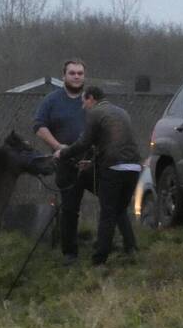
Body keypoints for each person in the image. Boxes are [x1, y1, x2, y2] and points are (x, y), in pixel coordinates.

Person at [57, 86, 140, 266]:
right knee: (119, 209)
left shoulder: (95, 113)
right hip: (134, 167)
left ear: (91, 98)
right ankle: (131, 249)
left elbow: (84, 142)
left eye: (84, 102)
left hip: (114, 168)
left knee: (108, 213)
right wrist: (94, 163)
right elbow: (114, 142)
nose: (83, 107)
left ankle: (99, 260)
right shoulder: (122, 112)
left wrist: (63, 153)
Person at [34, 59, 93, 266]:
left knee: (113, 201)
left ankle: (118, 248)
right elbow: (39, 126)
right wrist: (59, 147)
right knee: (69, 210)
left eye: (80, 73)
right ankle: (70, 254)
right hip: (67, 164)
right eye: (72, 73)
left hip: (92, 162)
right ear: (64, 76)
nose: (76, 77)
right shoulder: (52, 100)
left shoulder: (91, 100)